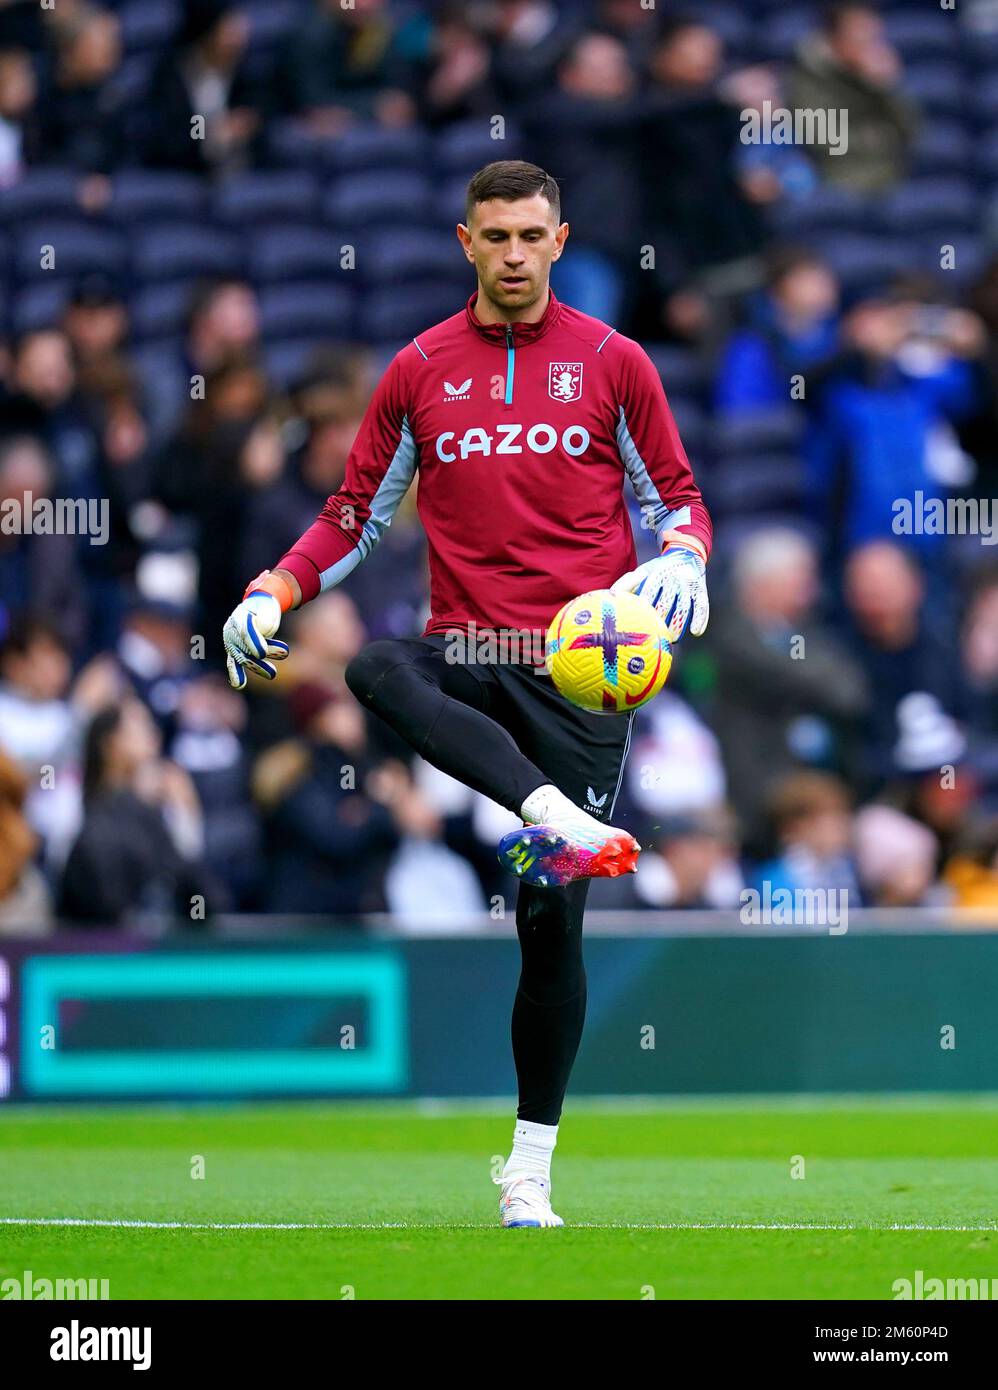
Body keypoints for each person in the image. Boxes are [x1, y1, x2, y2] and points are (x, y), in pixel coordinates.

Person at [222, 160, 712, 1229]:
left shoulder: (613, 361)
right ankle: (551, 815)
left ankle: (528, 1167)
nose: (514, 256)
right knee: (371, 666)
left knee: (548, 923)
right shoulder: (417, 370)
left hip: (580, 669)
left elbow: (675, 497)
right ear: (464, 242)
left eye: (532, 236)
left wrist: (685, 556)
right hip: (470, 647)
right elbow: (353, 514)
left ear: (559, 237)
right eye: (494, 237)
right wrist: (271, 587)